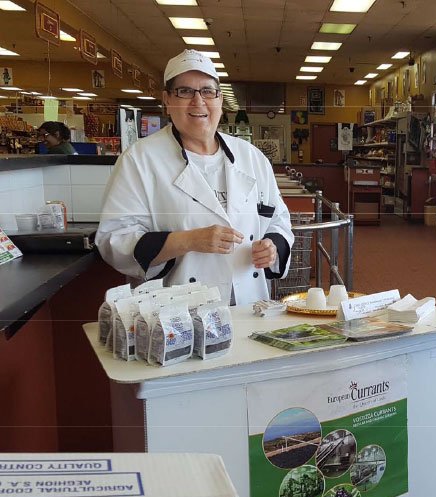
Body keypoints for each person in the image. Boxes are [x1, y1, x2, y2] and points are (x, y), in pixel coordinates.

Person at [96, 50, 293, 305]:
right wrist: (188, 240)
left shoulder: (251, 157)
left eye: (208, 91)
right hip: (177, 310)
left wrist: (272, 247)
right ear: (167, 100)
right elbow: (114, 240)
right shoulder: (139, 160)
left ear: (219, 99)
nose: (198, 102)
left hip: (250, 304)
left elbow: (279, 221)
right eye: (185, 91)